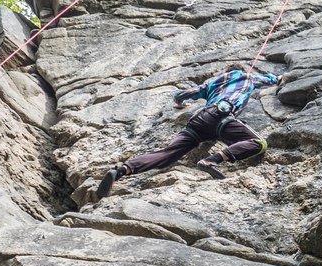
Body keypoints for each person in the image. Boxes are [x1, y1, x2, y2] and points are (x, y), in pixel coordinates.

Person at [95, 65, 282, 198]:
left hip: (198, 121)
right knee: (258, 143)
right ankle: (211, 161)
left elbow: (179, 96)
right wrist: (279, 79)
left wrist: (180, 104)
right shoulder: (246, 76)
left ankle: (121, 171)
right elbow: (272, 80)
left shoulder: (211, 84)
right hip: (221, 116)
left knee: (168, 154)